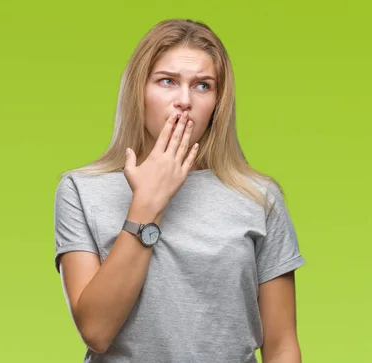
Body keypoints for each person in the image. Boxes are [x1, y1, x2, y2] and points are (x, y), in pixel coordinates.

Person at [52, 19, 306, 363]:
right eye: (167, 81)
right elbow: (96, 331)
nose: (184, 100)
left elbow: (281, 346)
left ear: (218, 102)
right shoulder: (81, 190)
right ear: (138, 91)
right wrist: (147, 203)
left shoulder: (259, 197)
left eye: (203, 86)